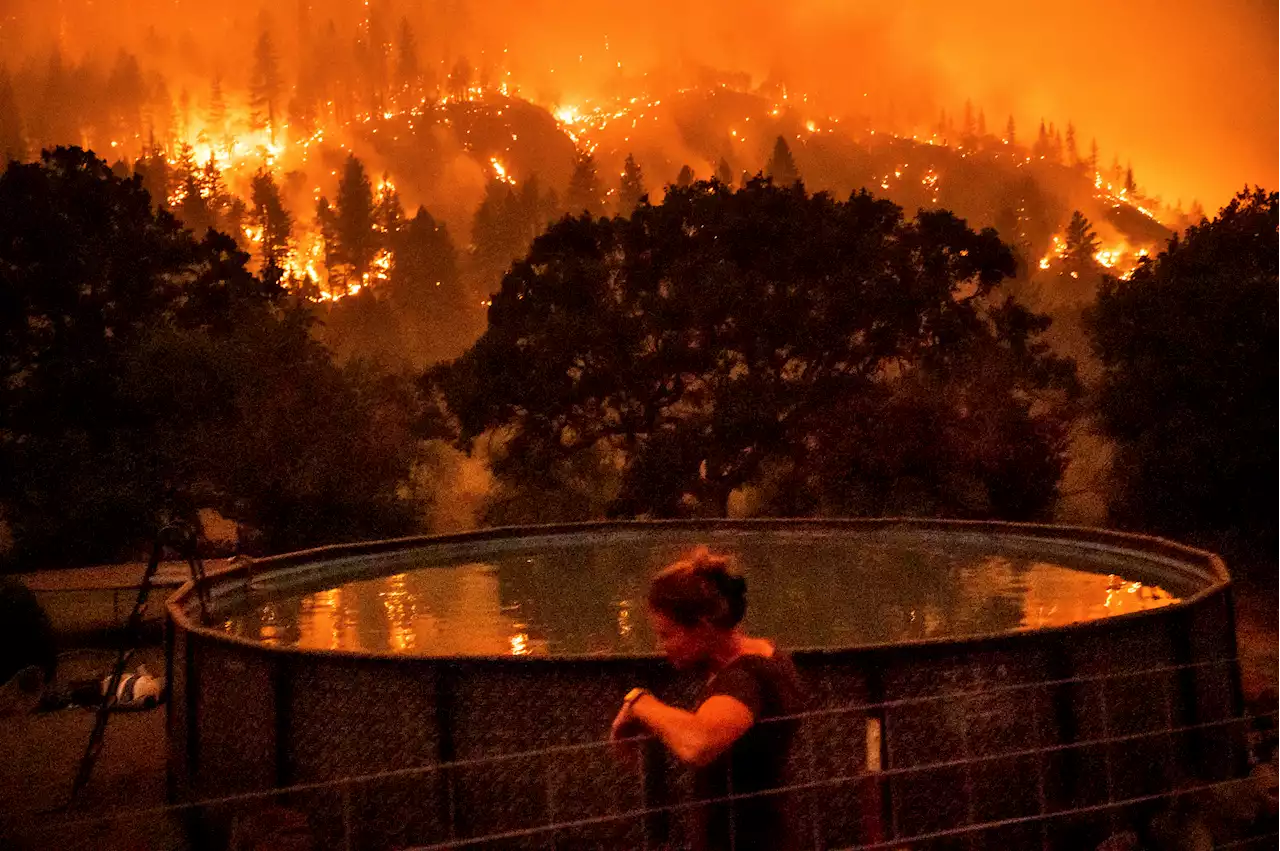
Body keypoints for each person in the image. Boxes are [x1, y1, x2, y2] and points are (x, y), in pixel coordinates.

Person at [611, 547, 805, 851]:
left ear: (702, 627)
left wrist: (640, 702)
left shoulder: (744, 678)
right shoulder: (768, 654)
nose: (661, 646)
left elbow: (698, 742)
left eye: (667, 635)